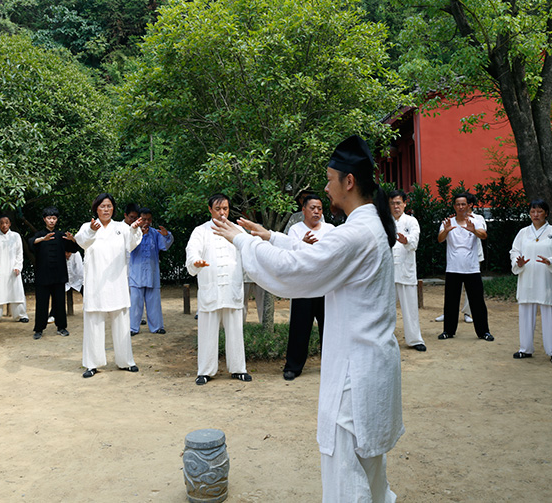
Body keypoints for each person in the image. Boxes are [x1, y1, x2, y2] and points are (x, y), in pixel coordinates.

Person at [213, 135, 403, 502]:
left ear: (349, 181)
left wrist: (243, 241)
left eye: (330, 180)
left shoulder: (356, 233)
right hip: (369, 366)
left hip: (354, 374)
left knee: (346, 472)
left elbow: (298, 269)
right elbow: (318, 254)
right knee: (369, 471)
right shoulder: (368, 228)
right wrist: (271, 237)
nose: (327, 189)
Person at [185, 193, 252, 385]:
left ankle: (238, 369)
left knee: (235, 331)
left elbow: (249, 252)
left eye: (225, 209)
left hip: (232, 288)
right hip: (211, 289)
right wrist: (195, 262)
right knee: (207, 332)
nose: (222, 213)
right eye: (218, 209)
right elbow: (192, 250)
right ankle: (205, 371)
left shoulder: (238, 230)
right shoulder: (201, 231)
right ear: (210, 210)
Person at [75, 193, 143, 378]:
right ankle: (92, 364)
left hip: (117, 283)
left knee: (121, 323)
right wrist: (92, 230)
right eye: (102, 206)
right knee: (94, 324)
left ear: (113, 208)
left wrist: (134, 229)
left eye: (109, 206)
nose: (106, 209)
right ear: (96, 208)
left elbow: (132, 244)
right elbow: (82, 242)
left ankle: (126, 361)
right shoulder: (87, 227)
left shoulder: (122, 227)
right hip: (96, 284)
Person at [510, 199, 552, 364]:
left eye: (539, 211)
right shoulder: (523, 233)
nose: (536, 215)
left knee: (550, 313)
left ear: (546, 213)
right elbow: (514, 251)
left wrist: (551, 261)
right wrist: (518, 262)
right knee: (526, 313)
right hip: (527, 278)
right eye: (533, 211)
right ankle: (525, 348)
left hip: (546, 278)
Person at [283, 193, 335, 380]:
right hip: (303, 286)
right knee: (300, 327)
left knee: (329, 327)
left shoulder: (330, 229)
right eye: (312, 208)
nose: (316, 212)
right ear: (303, 210)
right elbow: (289, 255)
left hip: (326, 285)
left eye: (319, 208)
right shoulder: (295, 230)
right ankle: (293, 367)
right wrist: (303, 244)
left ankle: (332, 366)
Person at [437, 193, 494, 342]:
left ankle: (484, 332)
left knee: (477, 302)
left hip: (472, 268)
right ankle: (448, 331)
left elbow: (483, 235)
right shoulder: (448, 222)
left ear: (469, 205)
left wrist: (473, 230)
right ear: (454, 206)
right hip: (453, 268)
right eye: (458, 204)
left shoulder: (476, 220)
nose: (461, 207)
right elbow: (440, 239)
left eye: (463, 204)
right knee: (451, 302)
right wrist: (446, 230)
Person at [29, 207, 75, 340]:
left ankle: (61, 327)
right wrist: (43, 239)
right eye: (49, 218)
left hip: (59, 275)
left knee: (60, 303)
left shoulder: (61, 235)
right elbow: (31, 243)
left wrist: (72, 239)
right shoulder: (39, 235)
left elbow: (73, 249)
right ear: (44, 219)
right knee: (41, 304)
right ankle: (39, 329)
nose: (51, 221)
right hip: (43, 275)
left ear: (57, 220)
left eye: (54, 218)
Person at [389, 190, 426, 352]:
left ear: (404, 204)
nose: (395, 206)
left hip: (406, 270)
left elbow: (414, 242)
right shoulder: (384, 222)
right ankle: (385, 339)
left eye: (398, 203)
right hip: (388, 272)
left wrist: (406, 241)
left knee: (410, 308)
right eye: (392, 203)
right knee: (386, 309)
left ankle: (414, 339)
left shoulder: (411, 221)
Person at [128, 207, 174, 335]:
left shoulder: (156, 233)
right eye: (144, 219)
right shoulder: (132, 233)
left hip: (152, 274)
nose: (146, 222)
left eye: (149, 219)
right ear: (139, 219)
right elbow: (128, 246)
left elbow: (164, 246)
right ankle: (132, 328)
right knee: (135, 303)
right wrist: (140, 235)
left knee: (154, 302)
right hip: (136, 275)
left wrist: (166, 235)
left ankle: (157, 327)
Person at [0, 216, 29, 325]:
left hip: (13, 270)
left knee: (16, 292)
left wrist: (18, 266)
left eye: (6, 223)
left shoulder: (15, 236)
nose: (4, 225)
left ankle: (21, 315)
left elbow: (19, 253)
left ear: (10, 224)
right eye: (2, 223)